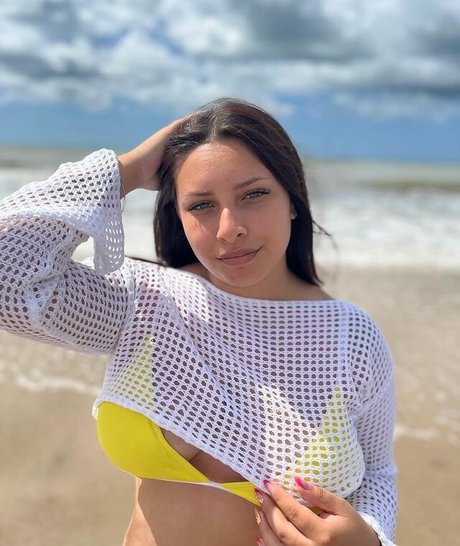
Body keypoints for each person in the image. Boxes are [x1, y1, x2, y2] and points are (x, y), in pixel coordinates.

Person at [0, 98, 397, 546]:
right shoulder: (146, 301)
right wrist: (127, 170)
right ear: (179, 215)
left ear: (293, 200)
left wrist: (372, 539)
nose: (229, 228)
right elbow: (7, 274)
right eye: (201, 205)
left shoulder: (351, 336)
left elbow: (378, 473)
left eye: (253, 194)